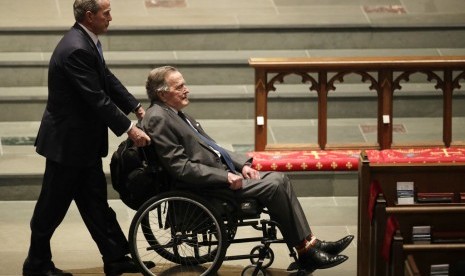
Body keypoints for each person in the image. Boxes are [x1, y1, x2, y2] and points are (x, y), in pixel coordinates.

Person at [141, 65, 354, 272]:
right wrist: (225, 176)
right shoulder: (159, 118)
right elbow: (181, 168)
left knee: (280, 179)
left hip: (220, 175)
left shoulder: (175, 113)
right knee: (273, 186)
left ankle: (310, 243)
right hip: (205, 186)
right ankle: (305, 251)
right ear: (162, 94)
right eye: (179, 87)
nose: (186, 89)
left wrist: (242, 166)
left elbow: (213, 147)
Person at [22, 1, 153, 275]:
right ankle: (36, 264)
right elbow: (97, 99)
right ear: (90, 16)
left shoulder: (85, 41)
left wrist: (135, 106)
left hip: (82, 144)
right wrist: (130, 128)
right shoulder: (76, 49)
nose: (111, 18)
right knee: (51, 206)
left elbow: (105, 77)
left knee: (95, 201)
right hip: (67, 146)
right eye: (106, 14)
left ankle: (115, 258)